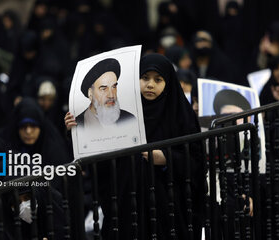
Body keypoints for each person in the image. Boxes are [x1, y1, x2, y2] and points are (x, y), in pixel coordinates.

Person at [65, 53, 202, 239]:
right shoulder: (118, 114)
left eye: (158, 79)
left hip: (168, 211)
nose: (150, 84)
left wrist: (166, 159)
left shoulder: (181, 115)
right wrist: (75, 130)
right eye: (144, 78)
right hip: (125, 206)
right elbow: (97, 156)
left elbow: (197, 163)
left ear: (168, 82)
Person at [74, 58, 135, 129]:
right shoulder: (78, 124)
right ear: (90, 93)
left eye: (114, 87)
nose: (111, 95)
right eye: (103, 89)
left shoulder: (129, 119)